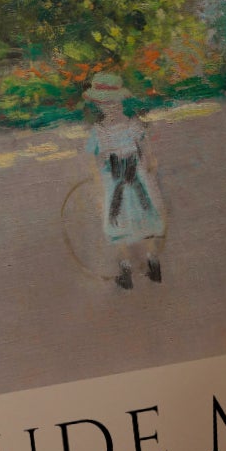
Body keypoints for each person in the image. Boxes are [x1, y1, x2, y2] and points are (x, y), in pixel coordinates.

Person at [82, 73, 167, 290]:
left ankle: (152, 261)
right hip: (116, 184)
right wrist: (99, 187)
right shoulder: (100, 132)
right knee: (120, 223)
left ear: (120, 101)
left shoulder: (130, 126)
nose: (109, 107)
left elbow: (148, 152)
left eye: (113, 102)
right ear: (99, 105)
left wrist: (149, 163)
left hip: (133, 180)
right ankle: (127, 269)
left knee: (145, 219)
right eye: (104, 103)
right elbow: (92, 161)